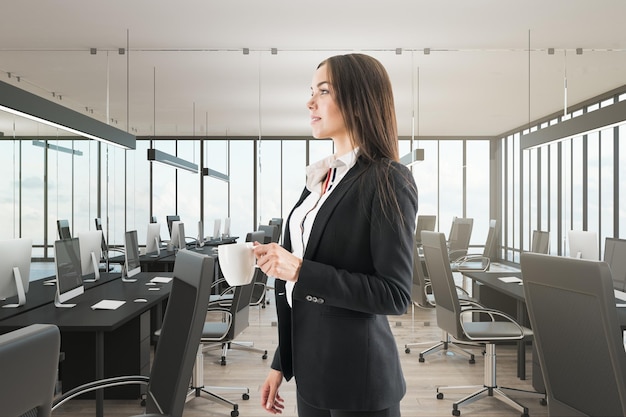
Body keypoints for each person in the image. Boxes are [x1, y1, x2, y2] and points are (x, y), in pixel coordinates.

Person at [253, 53, 418, 417]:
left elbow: (394, 294)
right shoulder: (321, 180)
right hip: (312, 373)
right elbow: (303, 294)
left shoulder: (389, 178)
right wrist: (281, 362)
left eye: (323, 91)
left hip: (358, 379)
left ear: (358, 101)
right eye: (311, 91)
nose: (310, 102)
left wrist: (299, 269)